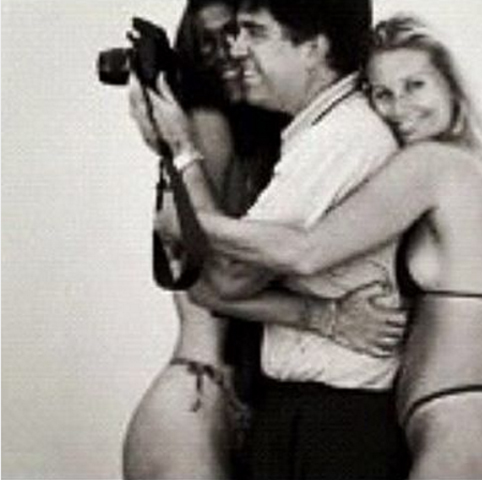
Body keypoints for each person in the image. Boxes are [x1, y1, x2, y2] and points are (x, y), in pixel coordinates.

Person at [156, 14, 482, 479]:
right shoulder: (475, 171)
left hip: (462, 429)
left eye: (415, 85)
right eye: (382, 93)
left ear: (452, 87)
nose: (398, 108)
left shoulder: (430, 165)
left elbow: (304, 250)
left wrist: (193, 219)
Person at [124, 0, 406, 479]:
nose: (234, 51)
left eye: (253, 32)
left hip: (331, 420)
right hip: (284, 409)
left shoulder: (339, 138)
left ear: (314, 48)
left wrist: (184, 152)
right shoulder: (304, 136)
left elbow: (224, 279)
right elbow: (208, 284)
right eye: (219, 40)